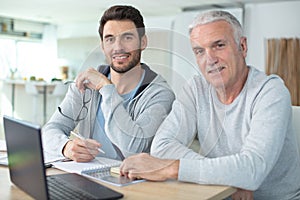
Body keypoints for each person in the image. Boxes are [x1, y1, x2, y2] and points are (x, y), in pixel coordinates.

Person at [120, 10, 300, 199]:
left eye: (219, 45)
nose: (210, 59)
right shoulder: (196, 88)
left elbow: (252, 169)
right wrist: (229, 178)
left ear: (243, 46)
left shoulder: (270, 91)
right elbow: (162, 145)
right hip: (217, 195)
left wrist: (171, 168)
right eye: (199, 51)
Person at [42, 5, 175, 162]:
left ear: (143, 42)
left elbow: (133, 150)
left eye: (127, 37)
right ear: (103, 46)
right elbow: (50, 129)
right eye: (110, 39)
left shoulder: (160, 94)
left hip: (131, 183)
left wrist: (106, 88)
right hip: (87, 176)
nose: (118, 47)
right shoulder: (85, 85)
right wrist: (66, 147)